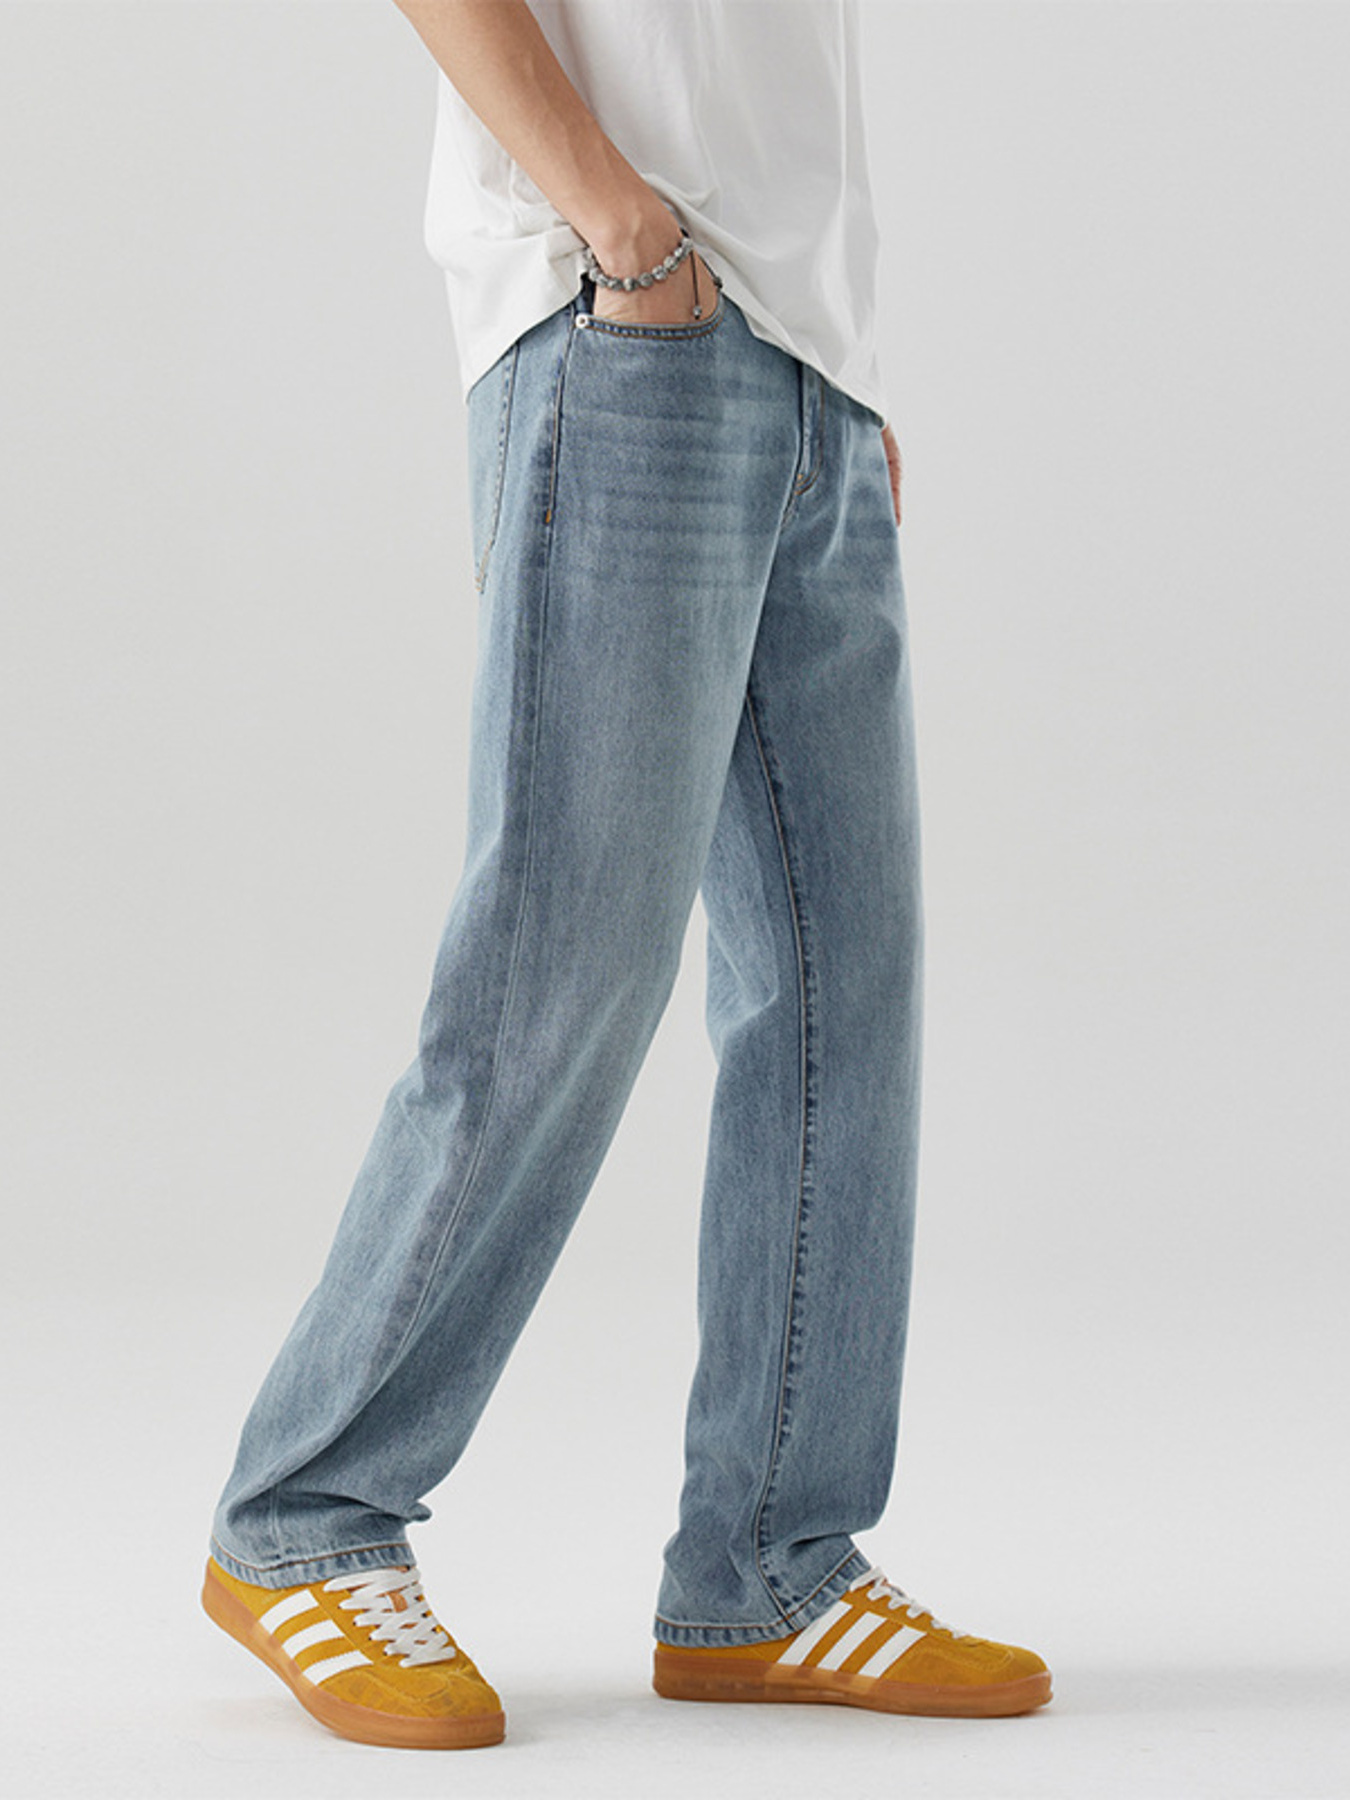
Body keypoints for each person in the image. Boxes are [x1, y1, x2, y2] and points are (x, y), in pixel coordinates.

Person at [200, 0, 1051, 1749]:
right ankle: (305, 1514)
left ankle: (772, 1563)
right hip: (624, 318)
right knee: (561, 969)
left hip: (801, 361)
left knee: (840, 991)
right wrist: (619, 224)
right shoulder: (621, 262)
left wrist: (834, 374)